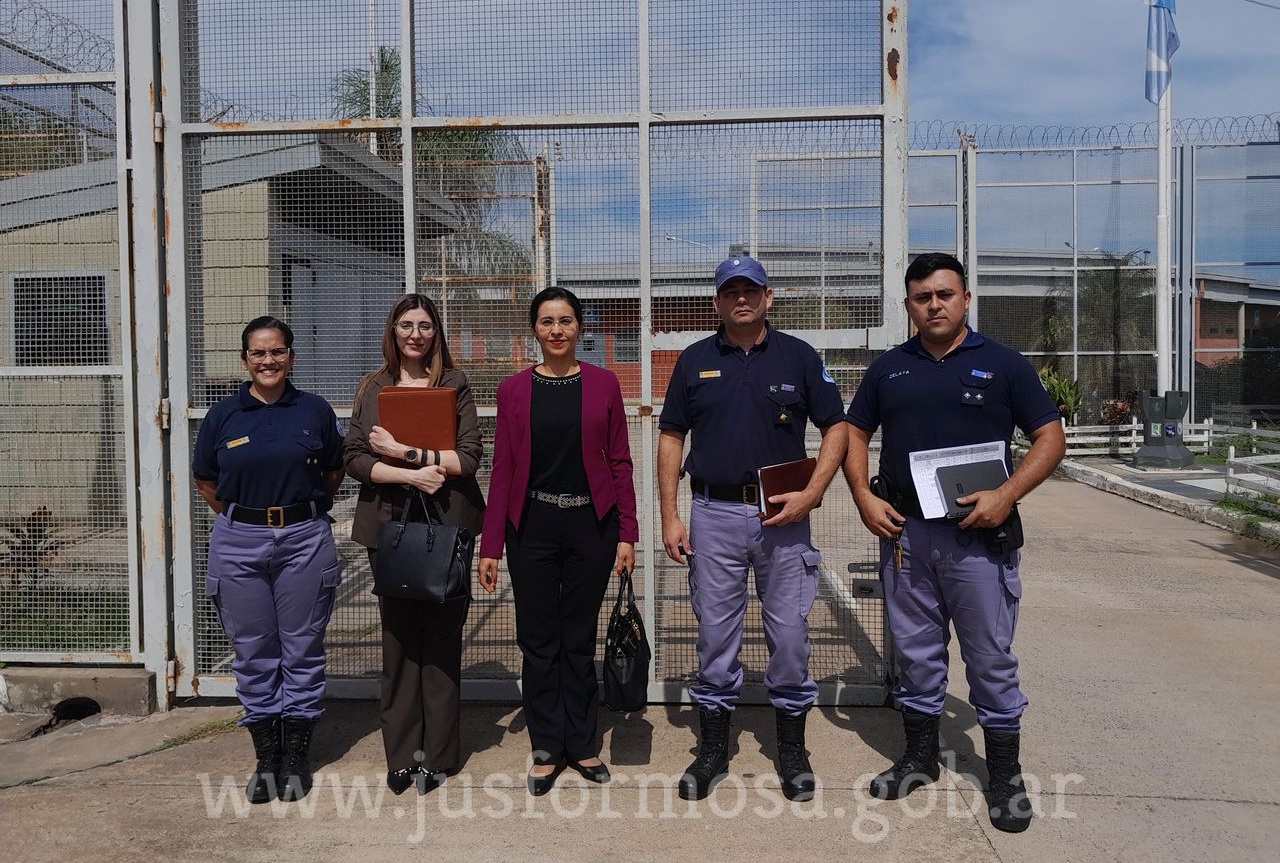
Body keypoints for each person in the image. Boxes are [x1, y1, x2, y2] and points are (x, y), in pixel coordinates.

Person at [842, 252, 1066, 833]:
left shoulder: (1004, 364)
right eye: (922, 296)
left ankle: (1005, 775)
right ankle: (919, 758)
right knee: (917, 655)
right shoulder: (889, 368)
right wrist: (865, 498)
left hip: (978, 539)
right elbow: (855, 433)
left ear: (966, 298)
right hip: (907, 538)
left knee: (990, 658)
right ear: (908, 305)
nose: (934, 304)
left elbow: (1049, 438)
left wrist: (1008, 494)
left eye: (945, 293)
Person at [657, 255, 847, 802]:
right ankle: (713, 748)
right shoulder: (694, 361)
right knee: (715, 635)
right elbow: (672, 436)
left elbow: (836, 425)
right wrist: (670, 514)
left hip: (782, 518)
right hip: (713, 515)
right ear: (717, 301)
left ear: (768, 297)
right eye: (730, 290)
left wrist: (813, 493)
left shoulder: (799, 356)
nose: (741, 297)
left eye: (751, 289)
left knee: (789, 634)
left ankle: (791, 748)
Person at [477, 286, 638, 797]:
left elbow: (619, 463)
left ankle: (583, 743)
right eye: (546, 321)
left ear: (579, 328)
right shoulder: (513, 390)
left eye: (565, 320)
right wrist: (490, 544)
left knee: (578, 638)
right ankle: (547, 746)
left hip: (592, 526)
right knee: (539, 640)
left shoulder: (604, 385)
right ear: (534, 330)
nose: (556, 330)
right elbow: (502, 468)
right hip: (534, 528)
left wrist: (627, 534)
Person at [193, 316, 345, 804]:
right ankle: (266, 756)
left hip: (303, 537)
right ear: (245, 360)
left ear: (291, 357)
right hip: (239, 540)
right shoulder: (224, 415)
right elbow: (207, 482)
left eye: (277, 352)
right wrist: (250, 518)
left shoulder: (314, 411)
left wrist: (294, 514)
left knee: (301, 647)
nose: (268, 361)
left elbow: (334, 472)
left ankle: (297, 754)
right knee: (254, 649)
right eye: (258, 353)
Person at [343, 294, 485, 796]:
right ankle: (402, 757)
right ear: (393, 331)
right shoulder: (374, 386)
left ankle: (440, 757)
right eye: (406, 325)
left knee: (442, 644)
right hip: (389, 529)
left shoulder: (455, 383)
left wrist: (408, 455)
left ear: (436, 332)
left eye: (425, 325)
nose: (416, 334)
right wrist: (411, 478)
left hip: (447, 528)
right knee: (399, 645)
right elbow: (356, 456)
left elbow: (469, 457)